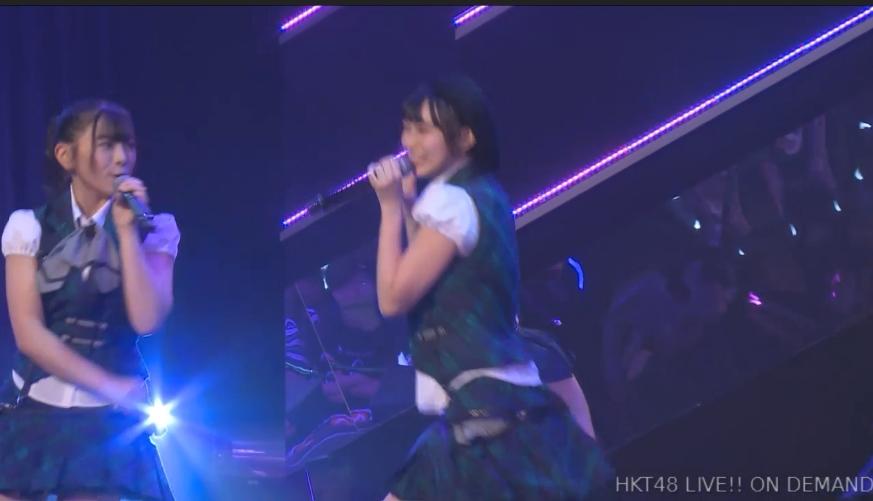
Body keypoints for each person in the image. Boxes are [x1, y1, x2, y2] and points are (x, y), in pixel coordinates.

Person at [366, 75, 614, 500]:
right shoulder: (477, 194)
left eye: (423, 130)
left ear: (464, 138)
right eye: (407, 128)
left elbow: (393, 298)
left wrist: (389, 209)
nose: (409, 142)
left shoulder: (451, 202)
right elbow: (430, 277)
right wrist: (407, 207)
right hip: (483, 410)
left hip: (487, 413)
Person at [0, 99, 178, 500]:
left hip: (105, 424)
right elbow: (29, 333)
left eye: (128, 144)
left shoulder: (155, 230)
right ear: (66, 156)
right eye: (106, 145)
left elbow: (147, 319)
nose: (122, 157)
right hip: (34, 409)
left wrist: (127, 233)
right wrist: (111, 385)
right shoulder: (28, 227)